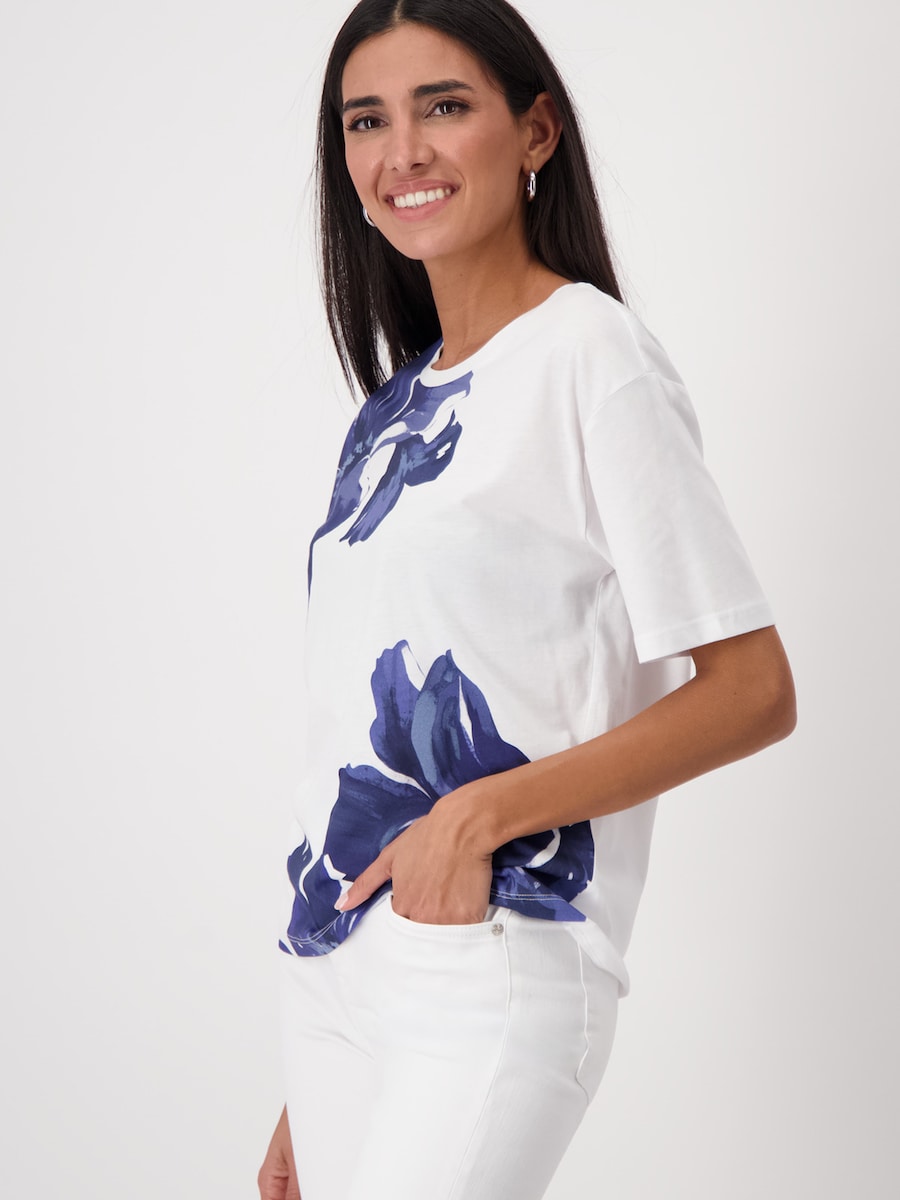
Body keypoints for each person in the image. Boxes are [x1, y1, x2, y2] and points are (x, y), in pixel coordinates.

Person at [258, 1, 797, 1197]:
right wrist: (315, 1073)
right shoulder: (390, 414)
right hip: (337, 975)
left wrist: (476, 818)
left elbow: (753, 690)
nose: (403, 151)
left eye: (444, 106)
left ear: (535, 130)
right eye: (366, 121)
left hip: (490, 950)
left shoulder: (590, 355)